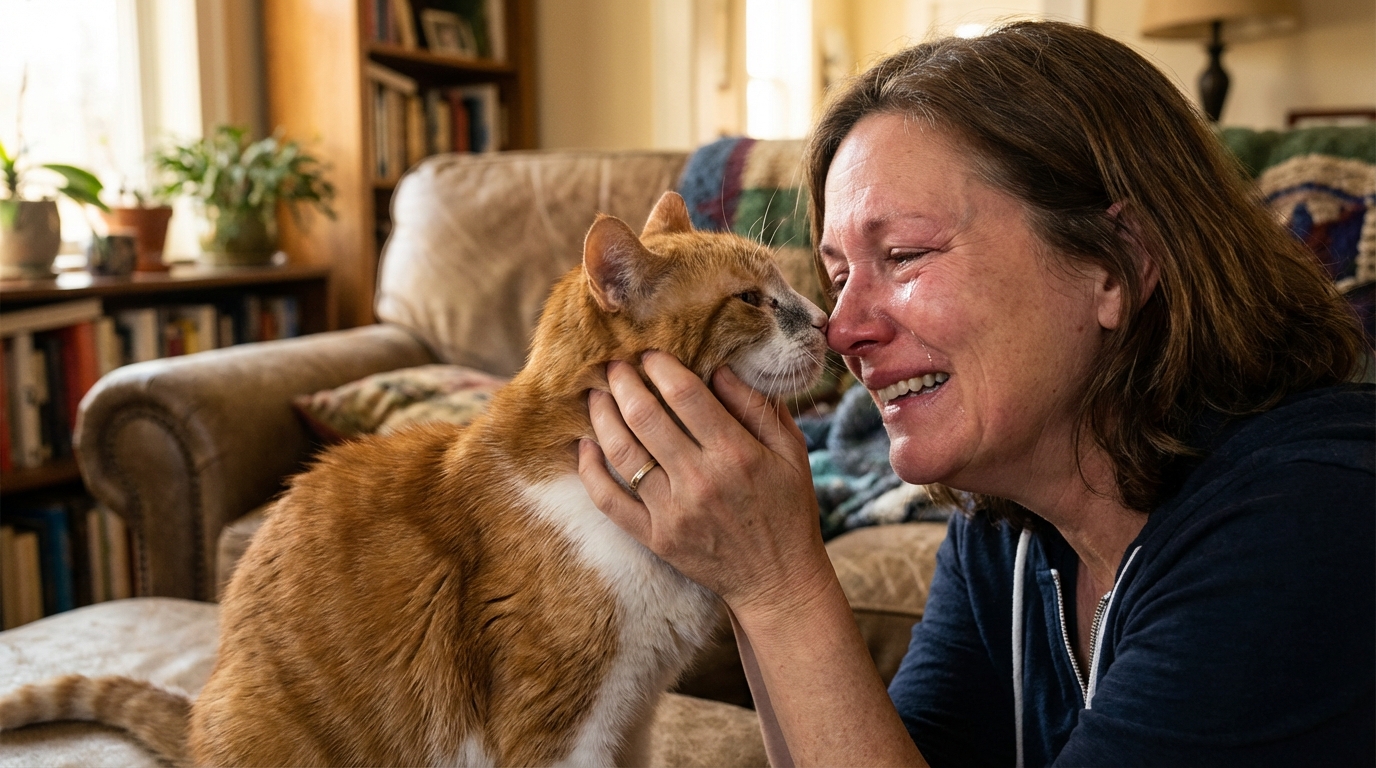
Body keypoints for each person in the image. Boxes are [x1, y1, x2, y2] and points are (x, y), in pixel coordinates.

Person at [578, 21, 1375, 767]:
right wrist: (749, 574)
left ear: (1116, 265)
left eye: (905, 253)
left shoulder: (1313, 519)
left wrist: (778, 581)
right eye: (839, 275)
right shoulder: (1007, 521)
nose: (841, 329)